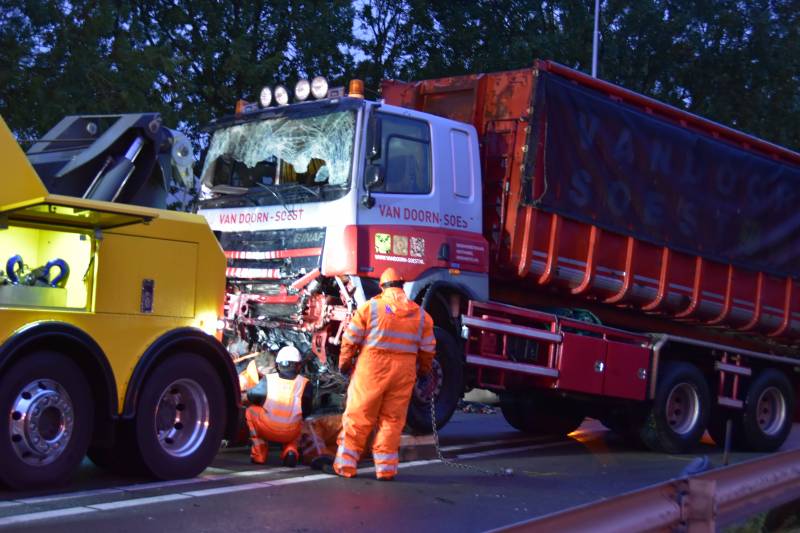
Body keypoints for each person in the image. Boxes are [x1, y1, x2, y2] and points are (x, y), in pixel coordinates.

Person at [329, 267, 436, 480]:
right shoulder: (421, 315)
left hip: (372, 368)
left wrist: (344, 363)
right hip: (403, 372)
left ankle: (345, 465)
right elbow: (427, 349)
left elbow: (350, 339)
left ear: (382, 286)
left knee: (359, 415)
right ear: (402, 286)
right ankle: (386, 469)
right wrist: (424, 370)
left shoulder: (371, 308)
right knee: (392, 420)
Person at [244, 345, 312, 467]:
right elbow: (307, 411)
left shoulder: (268, 379)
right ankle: (290, 450)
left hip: (267, 429)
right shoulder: (305, 384)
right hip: (291, 432)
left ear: (278, 364)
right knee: (302, 421)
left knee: (250, 411)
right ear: (298, 366)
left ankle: (259, 454)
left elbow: (251, 397)